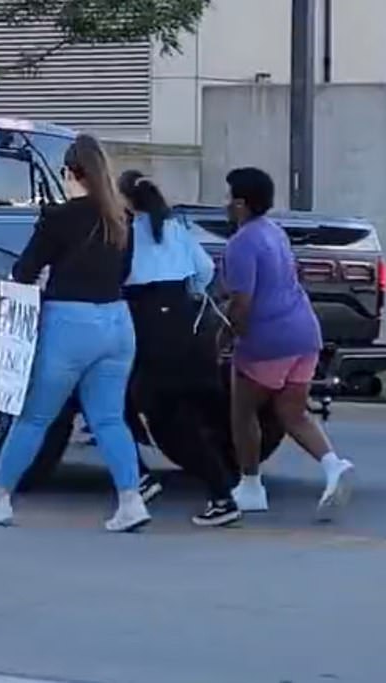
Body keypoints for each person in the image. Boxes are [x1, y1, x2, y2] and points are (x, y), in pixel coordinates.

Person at [0, 134, 150, 533]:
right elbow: (122, 273)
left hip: (70, 324)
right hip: (117, 323)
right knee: (109, 419)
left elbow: (23, 272)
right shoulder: (123, 219)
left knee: (35, 417)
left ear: (70, 173)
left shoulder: (59, 217)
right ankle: (130, 500)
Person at [222, 167, 354, 519]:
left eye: (229, 197)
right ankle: (333, 465)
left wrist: (228, 338)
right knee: (292, 412)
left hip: (268, 340)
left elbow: (242, 303)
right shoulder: (275, 232)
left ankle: (251, 486)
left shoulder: (241, 244)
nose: (225, 205)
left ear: (240, 203)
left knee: (243, 411)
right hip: (305, 334)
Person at [118, 170, 241, 527]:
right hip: (185, 330)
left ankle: (139, 479)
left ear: (126, 202)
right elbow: (204, 271)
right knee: (175, 421)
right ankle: (221, 493)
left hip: (147, 330)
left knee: (113, 405)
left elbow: (116, 279)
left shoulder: (128, 235)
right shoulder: (176, 230)